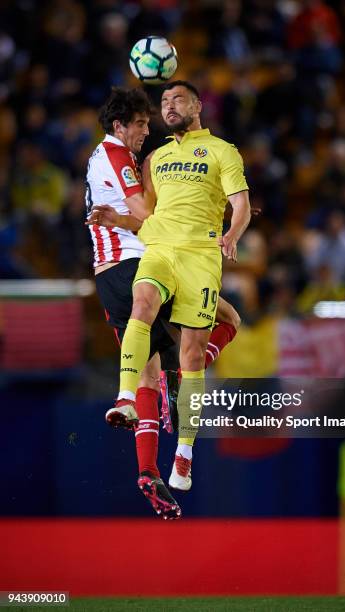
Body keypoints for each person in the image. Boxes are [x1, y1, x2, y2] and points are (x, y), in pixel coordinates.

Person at [85, 86, 243, 516]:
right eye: (139, 123)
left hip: (115, 269)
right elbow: (145, 212)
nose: (146, 130)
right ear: (120, 125)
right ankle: (173, 385)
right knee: (221, 322)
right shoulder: (117, 156)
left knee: (153, 372)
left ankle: (147, 470)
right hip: (129, 263)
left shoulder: (120, 157)